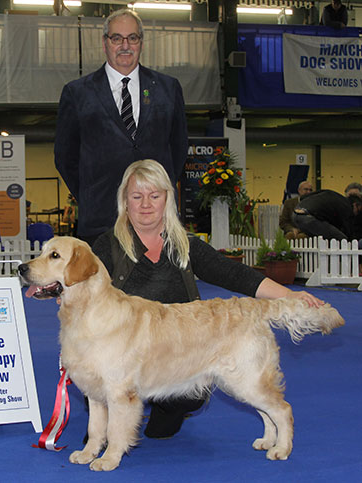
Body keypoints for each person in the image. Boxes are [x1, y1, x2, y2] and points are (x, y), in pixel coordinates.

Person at [92, 159, 324, 439]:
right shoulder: (107, 245)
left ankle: (164, 408)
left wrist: (289, 296)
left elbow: (233, 273)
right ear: (124, 201)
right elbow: (84, 285)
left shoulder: (185, 245)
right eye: (136, 196)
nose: (145, 204)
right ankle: (123, 409)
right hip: (122, 357)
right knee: (96, 389)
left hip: (174, 355)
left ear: (168, 199)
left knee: (168, 425)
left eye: (154, 195)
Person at [54, 9, 188, 247]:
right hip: (100, 220)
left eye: (132, 38)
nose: (125, 45)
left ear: (141, 43)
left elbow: (178, 150)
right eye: (117, 38)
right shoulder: (77, 93)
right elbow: (65, 158)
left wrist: (154, 192)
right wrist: (90, 194)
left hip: (158, 221)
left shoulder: (168, 89)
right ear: (105, 42)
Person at [292, 189, 362, 241]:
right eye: (358, 211)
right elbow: (347, 229)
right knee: (342, 239)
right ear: (355, 204)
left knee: (318, 239)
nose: (356, 214)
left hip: (296, 213)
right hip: (309, 217)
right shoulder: (347, 207)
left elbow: (303, 197)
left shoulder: (333, 194)